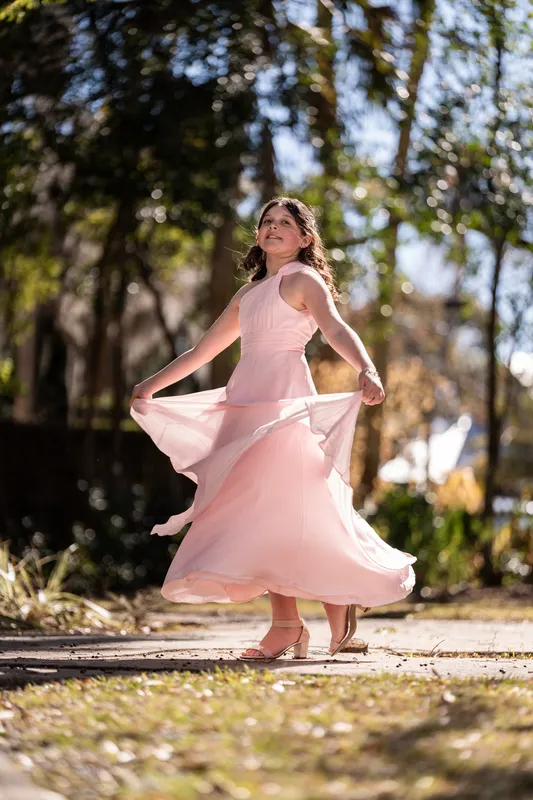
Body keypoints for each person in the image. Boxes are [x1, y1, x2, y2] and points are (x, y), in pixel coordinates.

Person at [130, 196, 416, 662]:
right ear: (258, 234)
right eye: (267, 221)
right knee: (254, 513)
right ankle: (295, 623)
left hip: (285, 405)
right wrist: (150, 386)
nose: (274, 228)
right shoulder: (247, 294)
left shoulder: (303, 280)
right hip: (244, 405)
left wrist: (367, 368)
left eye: (286, 223)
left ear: (305, 239)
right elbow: (203, 351)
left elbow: (337, 329)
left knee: (290, 510)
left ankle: (308, 617)